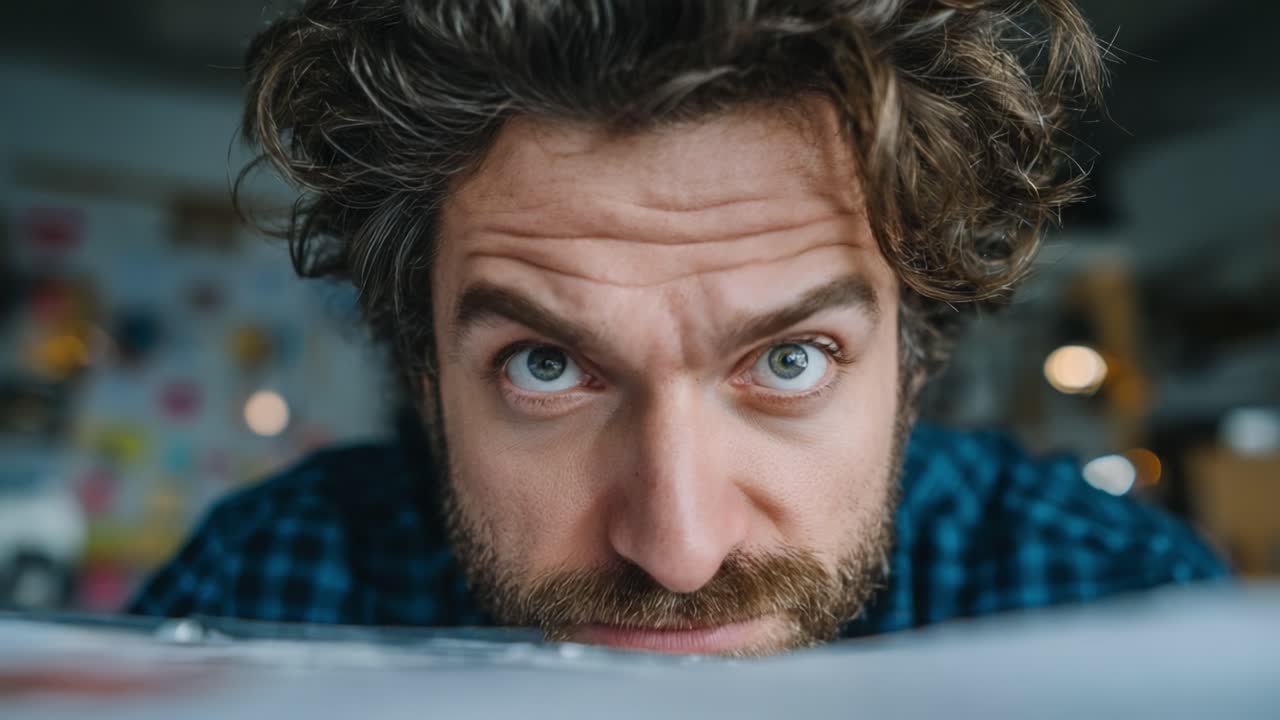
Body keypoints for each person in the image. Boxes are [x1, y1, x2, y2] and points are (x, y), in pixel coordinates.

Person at [129, 0, 1225, 656]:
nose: (679, 551)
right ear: (424, 375)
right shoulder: (260, 590)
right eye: (544, 366)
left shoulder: (1122, 609)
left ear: (913, 357)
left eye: (789, 360)